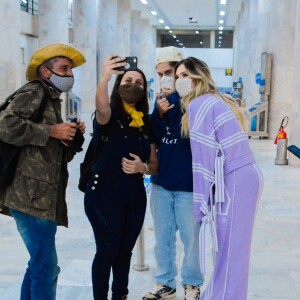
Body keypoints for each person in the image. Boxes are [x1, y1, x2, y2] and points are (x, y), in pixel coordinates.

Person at [0, 44, 86, 299]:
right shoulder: (34, 91)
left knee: (38, 263)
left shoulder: (51, 98)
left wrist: (69, 135)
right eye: (64, 68)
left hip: (41, 196)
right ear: (46, 72)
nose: (69, 74)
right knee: (47, 267)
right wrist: (51, 131)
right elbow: (5, 124)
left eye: (70, 69)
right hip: (29, 197)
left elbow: (50, 150)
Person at [176, 57, 263, 300]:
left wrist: (200, 202)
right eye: (177, 76)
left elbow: (203, 156)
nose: (179, 81)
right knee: (231, 247)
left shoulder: (199, 104)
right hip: (241, 175)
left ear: (198, 77)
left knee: (231, 249)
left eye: (185, 75)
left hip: (236, 177)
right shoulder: (211, 101)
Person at [84, 55, 159, 300]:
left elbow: (154, 164)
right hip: (103, 194)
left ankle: (120, 295)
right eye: (128, 80)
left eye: (139, 82)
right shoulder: (110, 114)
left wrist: (142, 168)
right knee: (107, 251)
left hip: (134, 196)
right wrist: (105, 77)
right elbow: (101, 107)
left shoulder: (145, 122)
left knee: (125, 251)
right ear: (118, 84)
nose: (134, 85)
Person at [143, 47, 204, 300]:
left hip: (190, 185)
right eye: (161, 74)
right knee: (163, 240)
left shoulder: (198, 102)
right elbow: (153, 137)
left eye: (171, 73)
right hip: (162, 182)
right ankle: (165, 283)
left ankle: (192, 284)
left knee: (191, 242)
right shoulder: (163, 100)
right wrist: (158, 113)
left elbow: (187, 134)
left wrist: (177, 103)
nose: (166, 79)